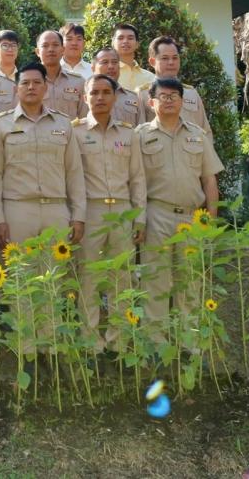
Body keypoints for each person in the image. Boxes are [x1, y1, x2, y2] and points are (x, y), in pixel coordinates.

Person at [136, 77, 223, 330]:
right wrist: (139, 219)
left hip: (191, 217)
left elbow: (209, 180)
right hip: (156, 214)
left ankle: (190, 342)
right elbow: (135, 182)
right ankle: (156, 342)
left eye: (174, 96)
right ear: (152, 103)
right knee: (156, 280)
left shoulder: (197, 135)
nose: (170, 100)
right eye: (163, 96)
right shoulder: (140, 136)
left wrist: (211, 221)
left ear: (182, 101)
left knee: (190, 279)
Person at [73, 74, 146, 351]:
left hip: (123, 211)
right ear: (85, 98)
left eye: (106, 92)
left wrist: (140, 217)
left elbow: (137, 178)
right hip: (90, 211)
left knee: (122, 277)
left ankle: (119, 340)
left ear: (115, 97)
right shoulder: (75, 132)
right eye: (94, 93)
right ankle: (91, 340)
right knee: (89, 277)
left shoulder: (129, 134)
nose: (100, 98)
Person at [0, 61, 86, 249]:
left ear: (45, 88)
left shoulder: (63, 124)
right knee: (18, 274)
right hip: (16, 211)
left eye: (37, 82)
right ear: (16, 89)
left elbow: (74, 172)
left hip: (56, 210)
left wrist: (78, 215)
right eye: (25, 83)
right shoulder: (0, 124)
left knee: (55, 275)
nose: (31, 87)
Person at [139, 36, 212, 135]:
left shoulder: (191, 93)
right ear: (152, 62)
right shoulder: (143, 94)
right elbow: (138, 134)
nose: (171, 62)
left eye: (175, 58)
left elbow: (205, 131)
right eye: (165, 58)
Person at [89, 47, 147, 127]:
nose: (111, 66)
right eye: (105, 62)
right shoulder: (85, 96)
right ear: (93, 67)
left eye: (114, 62)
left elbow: (140, 131)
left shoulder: (133, 97)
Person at [36, 30, 87, 119]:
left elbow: (84, 118)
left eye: (55, 45)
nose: (51, 49)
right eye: (45, 46)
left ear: (62, 49)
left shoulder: (78, 82)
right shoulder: (28, 83)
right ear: (37, 52)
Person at [112, 23, 154, 91]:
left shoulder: (150, 78)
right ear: (113, 43)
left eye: (130, 38)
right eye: (121, 38)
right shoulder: (107, 74)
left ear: (137, 44)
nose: (125, 41)